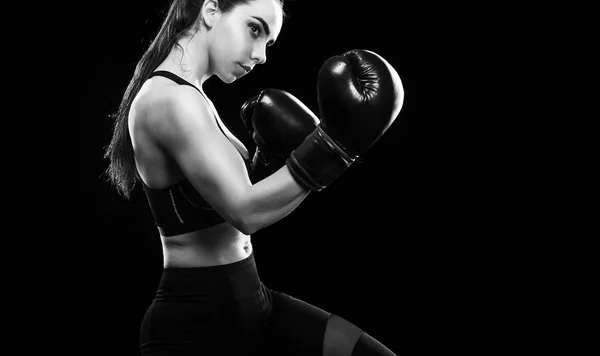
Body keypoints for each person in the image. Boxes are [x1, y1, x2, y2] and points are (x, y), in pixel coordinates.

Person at [103, 0, 404, 355]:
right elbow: (246, 214)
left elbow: (228, 207)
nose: (261, 55)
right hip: (196, 324)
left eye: (269, 43)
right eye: (254, 29)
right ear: (211, 9)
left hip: (253, 301)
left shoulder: (192, 95)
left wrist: (271, 163)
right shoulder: (168, 100)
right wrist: (335, 145)